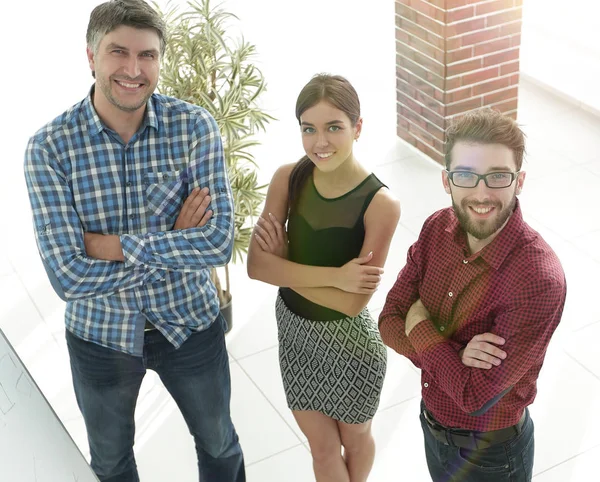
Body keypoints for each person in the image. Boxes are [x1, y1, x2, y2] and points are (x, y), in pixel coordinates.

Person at [23, 1, 245, 481]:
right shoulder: (49, 149)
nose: (132, 69)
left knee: (220, 445)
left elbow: (218, 244)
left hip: (189, 319)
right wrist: (172, 241)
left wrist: (113, 245)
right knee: (111, 462)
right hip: (100, 335)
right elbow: (68, 277)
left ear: (161, 60)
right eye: (117, 52)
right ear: (90, 56)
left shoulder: (194, 128)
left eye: (147, 55)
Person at [379, 109, 566, 482]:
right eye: (466, 175)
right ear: (447, 181)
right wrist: (453, 356)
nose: (481, 194)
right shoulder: (436, 228)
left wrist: (420, 324)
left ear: (520, 181)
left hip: (491, 456)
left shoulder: (538, 279)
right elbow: (388, 320)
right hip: (431, 426)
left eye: (498, 176)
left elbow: (474, 396)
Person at [247, 74, 401, 482]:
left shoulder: (381, 204)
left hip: (351, 347)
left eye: (334, 127)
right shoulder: (287, 178)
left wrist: (282, 267)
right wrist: (334, 275)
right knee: (321, 450)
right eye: (308, 129)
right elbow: (255, 267)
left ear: (358, 128)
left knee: (356, 437)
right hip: (295, 335)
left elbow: (352, 303)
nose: (321, 142)